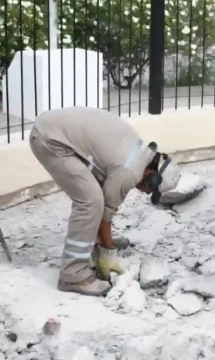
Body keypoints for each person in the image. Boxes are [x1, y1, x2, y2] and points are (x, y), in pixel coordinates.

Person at [29, 107, 181, 297]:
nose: (146, 192)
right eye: (151, 189)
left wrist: (103, 239)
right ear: (152, 176)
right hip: (51, 141)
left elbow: (106, 199)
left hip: (53, 130)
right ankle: (73, 275)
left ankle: (92, 245)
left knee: (95, 194)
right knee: (90, 201)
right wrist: (108, 252)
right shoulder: (130, 171)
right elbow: (105, 216)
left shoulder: (138, 152)